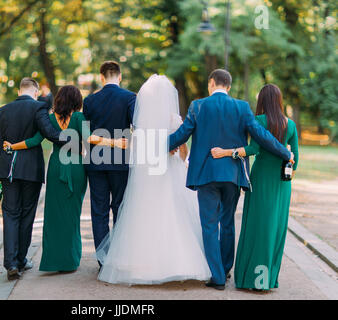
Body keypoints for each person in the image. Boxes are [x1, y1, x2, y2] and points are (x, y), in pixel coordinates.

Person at [168, 69, 293, 290]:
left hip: (206, 174)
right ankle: (226, 270)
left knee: (209, 225)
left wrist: (161, 145)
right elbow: (261, 136)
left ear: (211, 83)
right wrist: (285, 153)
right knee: (227, 222)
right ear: (228, 86)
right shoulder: (242, 107)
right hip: (233, 174)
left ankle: (216, 277)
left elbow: (183, 134)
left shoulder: (198, 106)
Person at [97, 75, 212, 285]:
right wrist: (175, 154)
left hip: (146, 175)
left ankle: (141, 266)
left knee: (144, 214)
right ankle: (178, 264)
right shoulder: (174, 120)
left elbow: (138, 151)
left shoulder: (140, 124)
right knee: (175, 212)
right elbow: (183, 152)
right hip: (170, 172)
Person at [4, 85, 128, 272]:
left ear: (59, 100)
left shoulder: (50, 118)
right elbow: (90, 139)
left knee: (53, 216)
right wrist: (115, 142)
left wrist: (13, 147)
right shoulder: (79, 117)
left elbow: (35, 141)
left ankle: (54, 261)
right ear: (77, 101)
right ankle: (70, 261)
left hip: (55, 168)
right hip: (77, 168)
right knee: (72, 216)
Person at [210, 84, 299, 291]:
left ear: (262, 101)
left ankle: (252, 280)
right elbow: (295, 159)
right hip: (282, 185)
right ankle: (266, 281)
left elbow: (252, 149)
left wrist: (225, 152)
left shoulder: (259, 121)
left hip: (261, 181)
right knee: (274, 230)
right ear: (279, 100)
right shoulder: (291, 125)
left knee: (257, 228)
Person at [0, 78, 66, 280]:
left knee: (10, 215)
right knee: (26, 215)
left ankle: (10, 263)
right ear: (35, 92)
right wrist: (72, 137)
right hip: (31, 171)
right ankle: (21, 260)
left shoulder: (3, 110)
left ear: (19, 91)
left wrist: (1, 170)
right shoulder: (39, 107)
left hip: (8, 170)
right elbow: (50, 133)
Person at [83, 61, 136, 266]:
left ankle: (103, 260)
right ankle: (120, 256)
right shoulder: (129, 97)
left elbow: (86, 134)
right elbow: (137, 128)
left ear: (101, 77)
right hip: (121, 161)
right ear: (120, 77)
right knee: (120, 208)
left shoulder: (90, 100)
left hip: (96, 162)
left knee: (99, 210)